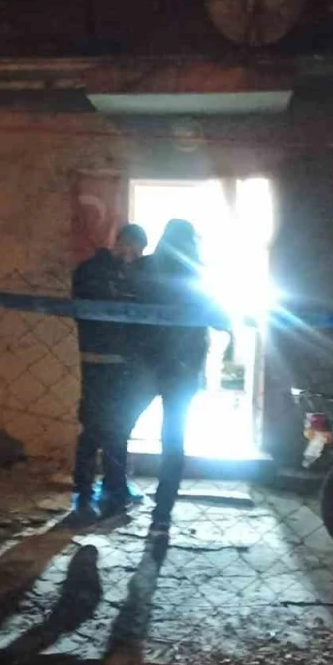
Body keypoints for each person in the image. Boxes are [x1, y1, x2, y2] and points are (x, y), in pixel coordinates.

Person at [133, 219, 226, 533]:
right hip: (183, 366)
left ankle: (115, 491)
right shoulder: (199, 273)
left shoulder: (143, 269)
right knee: (173, 437)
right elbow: (221, 318)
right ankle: (163, 511)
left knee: (118, 426)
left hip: (143, 362)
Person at [70, 223, 149, 523]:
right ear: (119, 242)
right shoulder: (93, 271)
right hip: (98, 359)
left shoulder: (130, 274)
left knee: (119, 427)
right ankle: (83, 494)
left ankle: (115, 488)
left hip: (123, 363)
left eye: (137, 252)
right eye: (130, 247)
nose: (132, 255)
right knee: (93, 426)